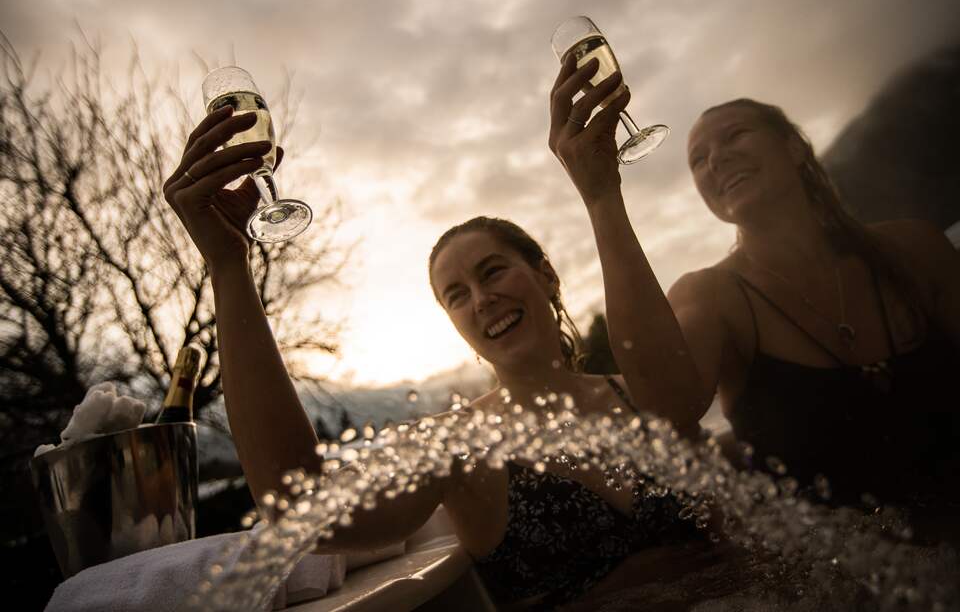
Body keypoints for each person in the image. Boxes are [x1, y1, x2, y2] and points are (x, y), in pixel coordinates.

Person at [162, 57, 723, 610]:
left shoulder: (643, 391)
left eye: (493, 272)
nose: (481, 299)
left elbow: (685, 412)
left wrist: (601, 192)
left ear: (546, 276)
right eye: (456, 295)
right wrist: (228, 266)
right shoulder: (457, 447)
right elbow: (303, 508)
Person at [667, 97, 960, 530]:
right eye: (698, 159)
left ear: (795, 147)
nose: (716, 159)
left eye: (735, 135)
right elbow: (666, 413)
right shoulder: (710, 298)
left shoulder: (915, 249)